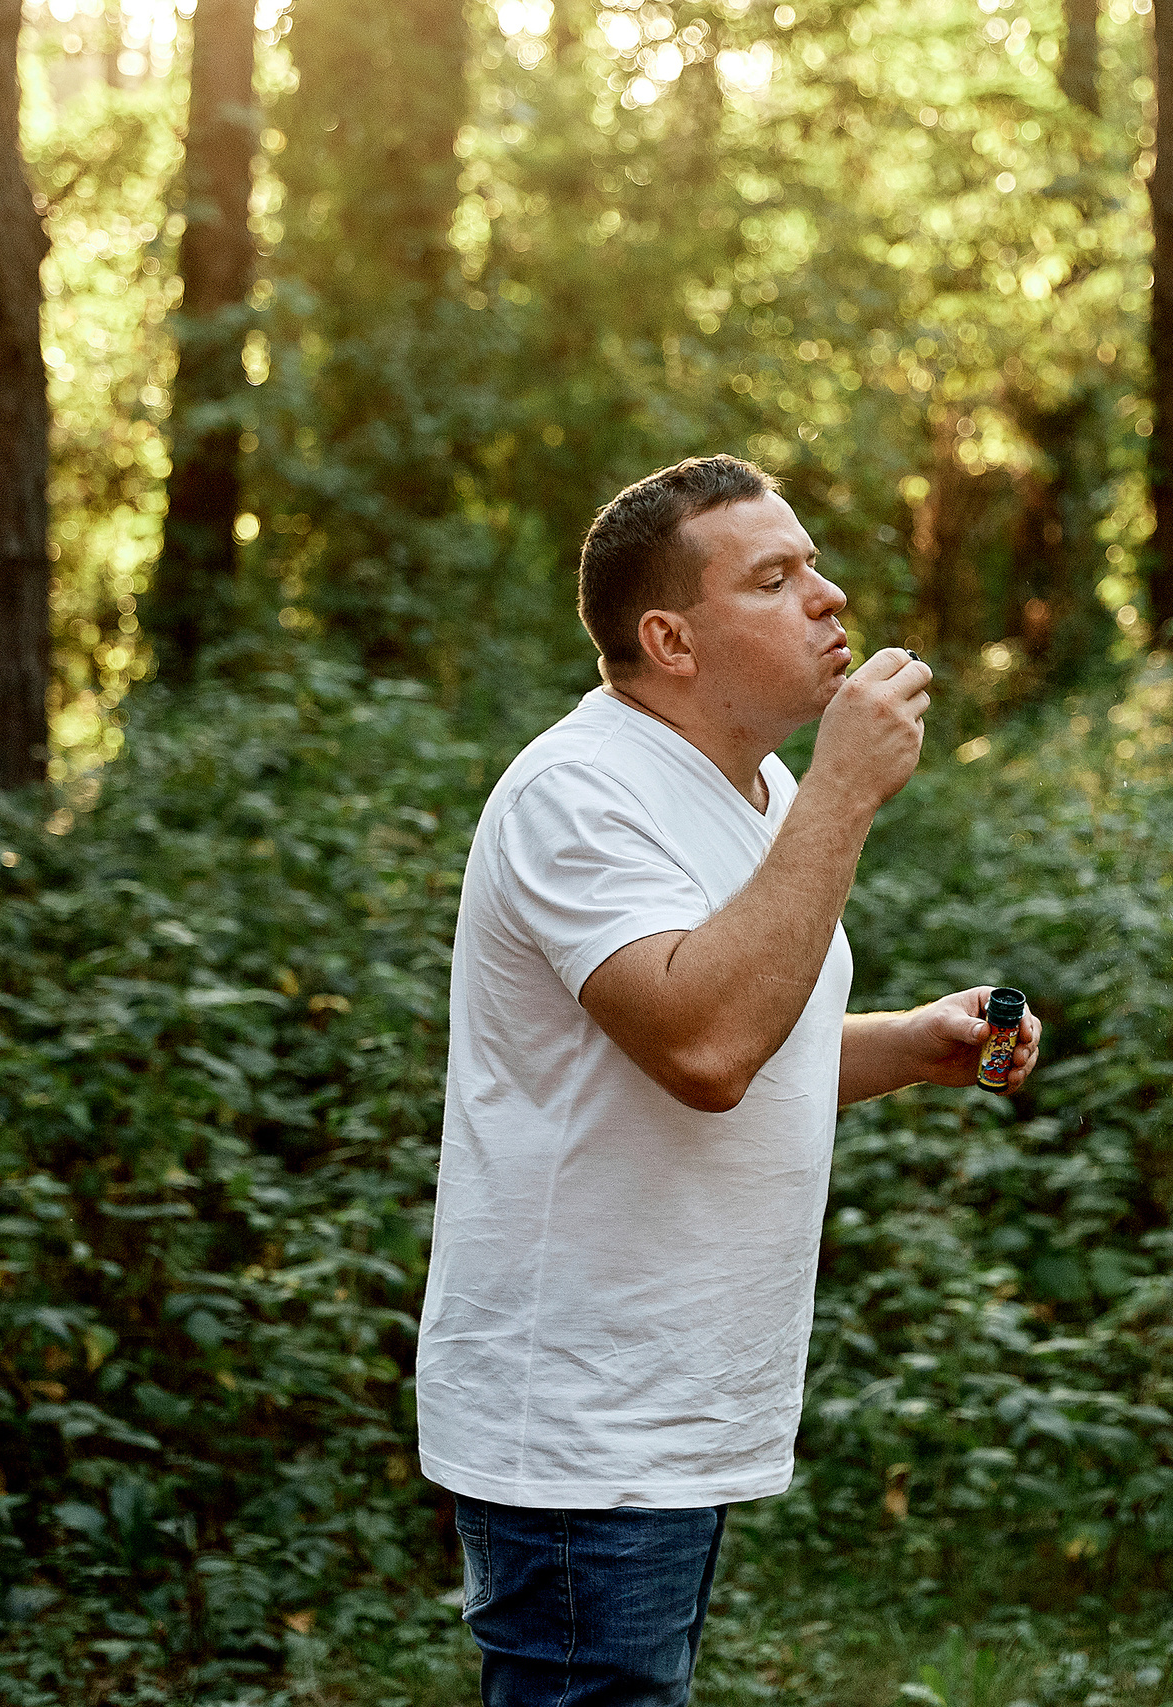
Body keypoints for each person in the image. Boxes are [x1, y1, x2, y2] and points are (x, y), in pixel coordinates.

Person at [414, 454, 1042, 1704]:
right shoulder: (577, 793)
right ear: (671, 638)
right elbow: (703, 1051)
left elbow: (733, 1034)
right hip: (586, 1420)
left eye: (812, 562)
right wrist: (851, 794)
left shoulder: (753, 787)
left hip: (678, 1398)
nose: (828, 595)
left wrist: (911, 1043)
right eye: (775, 576)